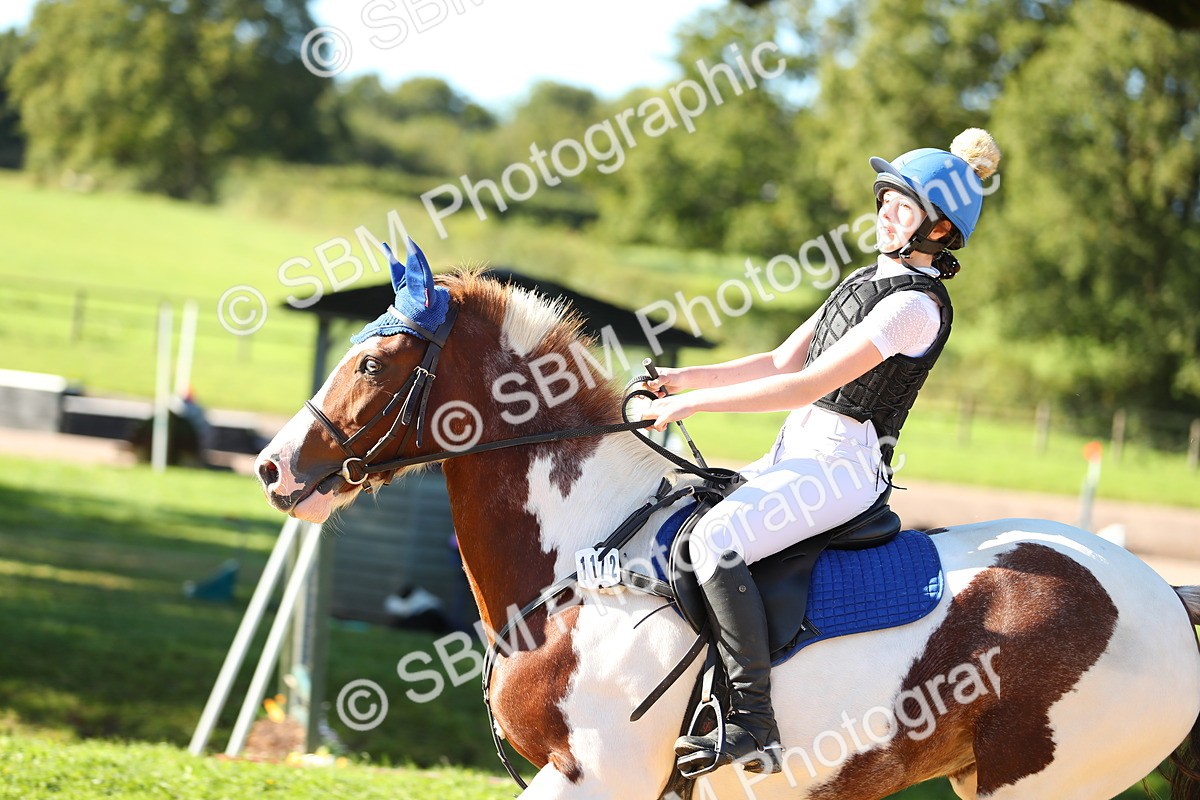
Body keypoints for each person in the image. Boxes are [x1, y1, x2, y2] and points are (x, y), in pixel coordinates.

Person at [642, 129, 1001, 776]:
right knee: (680, 513)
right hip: (797, 451)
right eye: (886, 198)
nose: (886, 211)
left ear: (940, 230)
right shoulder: (864, 280)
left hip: (842, 469)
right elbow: (781, 359)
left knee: (716, 543)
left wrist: (694, 409)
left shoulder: (915, 308)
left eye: (903, 204)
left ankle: (752, 721)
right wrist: (683, 381)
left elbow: (809, 385)